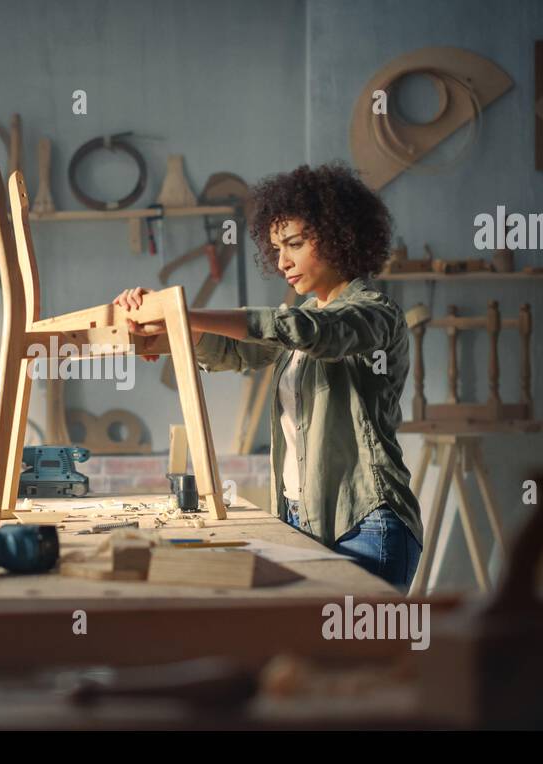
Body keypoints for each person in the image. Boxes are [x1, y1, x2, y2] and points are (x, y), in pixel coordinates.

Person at [114, 163, 423, 589]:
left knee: (354, 654)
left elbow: (314, 333)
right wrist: (162, 330)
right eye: (276, 249)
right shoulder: (307, 316)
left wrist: (181, 314)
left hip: (366, 522)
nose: (282, 262)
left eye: (294, 244)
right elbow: (232, 351)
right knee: (307, 653)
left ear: (340, 236)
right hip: (301, 520)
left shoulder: (374, 314)